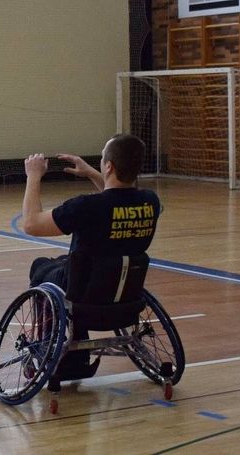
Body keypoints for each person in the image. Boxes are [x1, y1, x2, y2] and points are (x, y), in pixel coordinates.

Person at [22, 133, 160, 377]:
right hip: (127, 296)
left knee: (41, 266)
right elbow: (120, 199)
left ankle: (48, 347)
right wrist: (91, 174)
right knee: (70, 262)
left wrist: (33, 176)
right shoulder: (151, 202)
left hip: (84, 297)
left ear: (108, 165)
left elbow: (31, 224)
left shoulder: (86, 207)